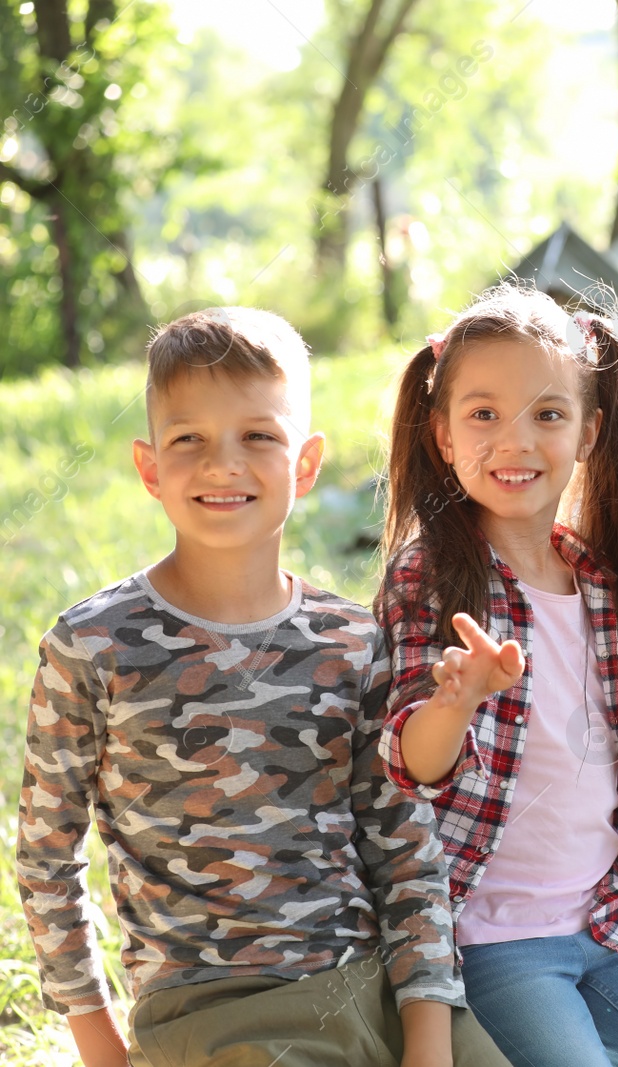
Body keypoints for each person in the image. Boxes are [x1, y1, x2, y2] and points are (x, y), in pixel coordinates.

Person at [16, 307, 505, 1067]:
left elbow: (405, 851)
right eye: (190, 441)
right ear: (149, 467)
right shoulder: (92, 646)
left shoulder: (352, 641)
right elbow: (47, 856)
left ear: (305, 465)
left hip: (368, 990)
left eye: (258, 436)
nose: (223, 464)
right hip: (210, 1009)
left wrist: (429, 1039)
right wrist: (102, 1050)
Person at [375, 285, 618, 1067]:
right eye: (483, 414)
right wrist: (457, 700)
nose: (514, 441)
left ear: (588, 432)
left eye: (547, 415)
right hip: (492, 941)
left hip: (612, 926)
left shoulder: (605, 584)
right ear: (443, 433)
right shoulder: (432, 578)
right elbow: (411, 763)